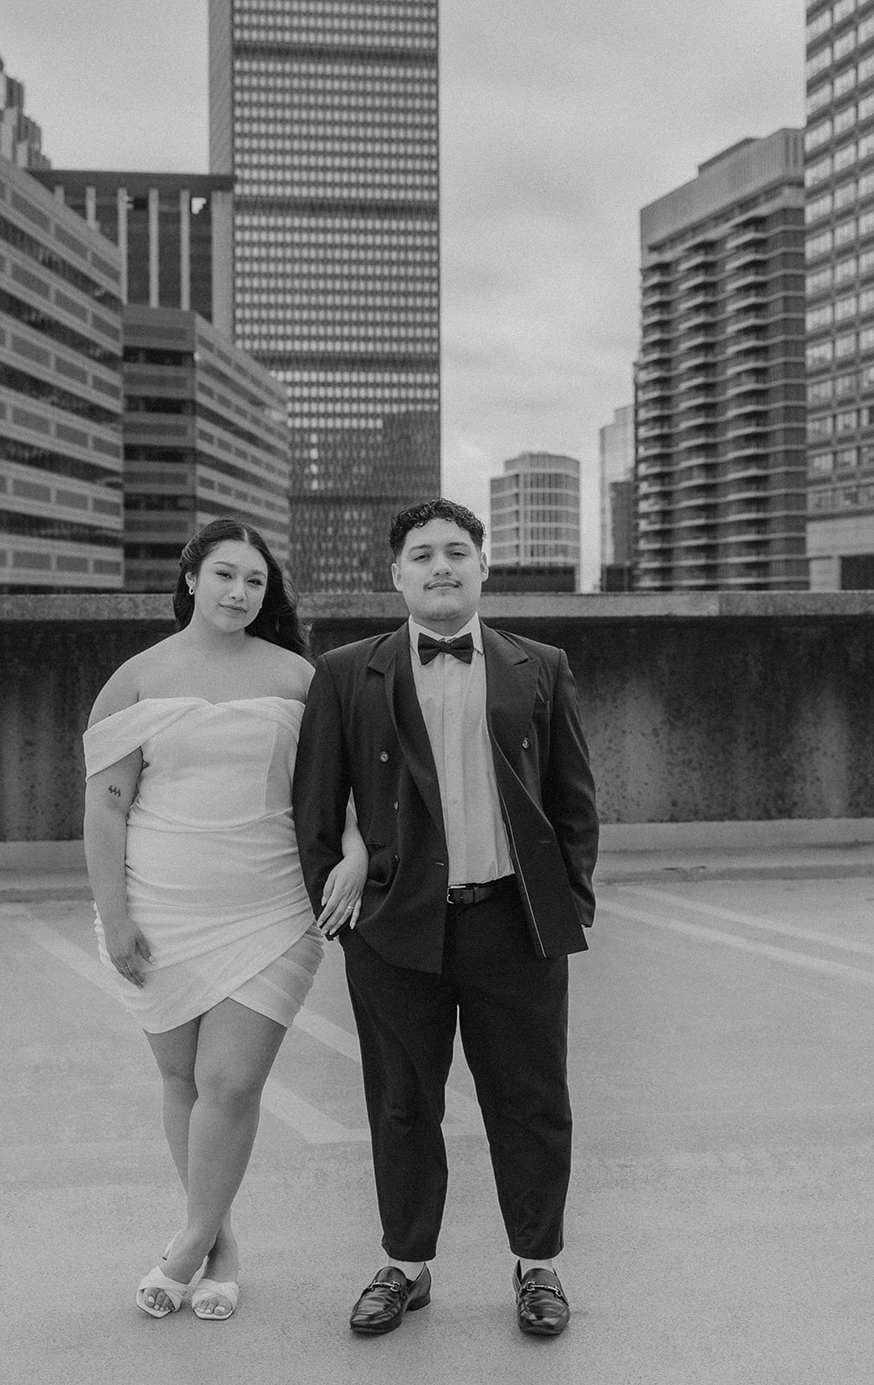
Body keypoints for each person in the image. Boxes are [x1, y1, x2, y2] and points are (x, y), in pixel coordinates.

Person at [293, 498, 598, 1340]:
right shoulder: (345, 671)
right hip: (396, 930)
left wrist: (568, 900)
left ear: (481, 566)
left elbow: (573, 799)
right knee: (400, 1103)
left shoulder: (538, 664)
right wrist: (345, 906)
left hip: (513, 921)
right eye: (421, 555)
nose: (440, 566)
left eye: (455, 552)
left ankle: (538, 1266)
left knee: (531, 1100)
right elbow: (316, 805)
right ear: (396, 575)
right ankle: (405, 1264)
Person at [82, 516, 367, 1322]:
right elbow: (106, 807)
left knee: (230, 1082)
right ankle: (221, 1245)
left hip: (272, 904)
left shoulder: (297, 677)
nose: (241, 592)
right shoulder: (134, 679)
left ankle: (182, 1249)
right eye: (225, 576)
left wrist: (352, 851)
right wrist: (116, 915)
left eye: (254, 580)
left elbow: (338, 789)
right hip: (157, 905)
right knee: (181, 1080)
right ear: (190, 580)